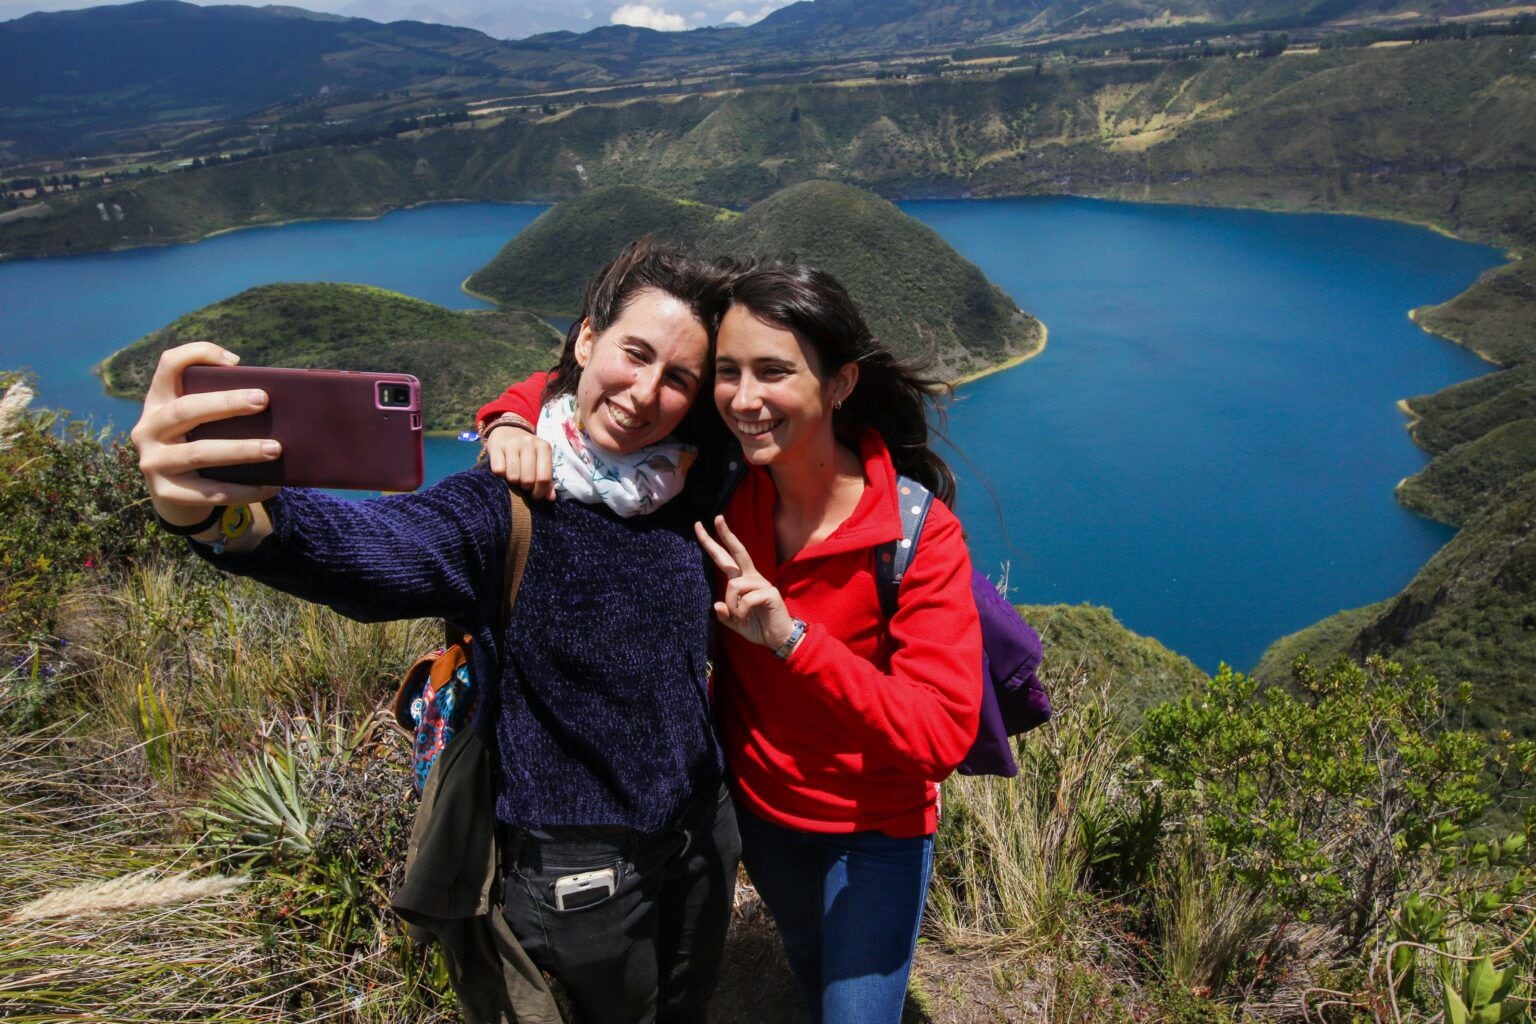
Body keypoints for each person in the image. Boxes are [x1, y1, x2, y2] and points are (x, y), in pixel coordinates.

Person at [132, 240, 741, 1024]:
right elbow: (376, 550)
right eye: (635, 353)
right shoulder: (506, 505)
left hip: (700, 827)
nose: (645, 392)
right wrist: (226, 516)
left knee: (691, 1004)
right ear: (587, 340)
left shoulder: (689, 481)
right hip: (581, 866)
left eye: (678, 378)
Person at [477, 260, 984, 1024]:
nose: (744, 400)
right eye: (727, 373)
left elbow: (941, 733)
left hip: (876, 831)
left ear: (840, 384)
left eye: (773, 372)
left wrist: (792, 640)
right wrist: (510, 420)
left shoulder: (916, 536)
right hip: (764, 817)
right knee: (808, 960)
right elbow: (600, 382)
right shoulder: (719, 482)